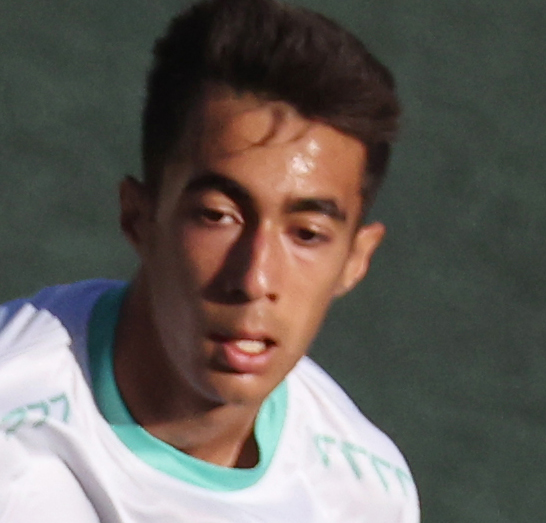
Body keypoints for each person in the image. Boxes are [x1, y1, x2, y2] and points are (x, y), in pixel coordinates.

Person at [0, 0, 420, 521]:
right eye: (218, 216)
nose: (254, 278)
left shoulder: (368, 495)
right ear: (139, 218)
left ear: (356, 260)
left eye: (307, 234)